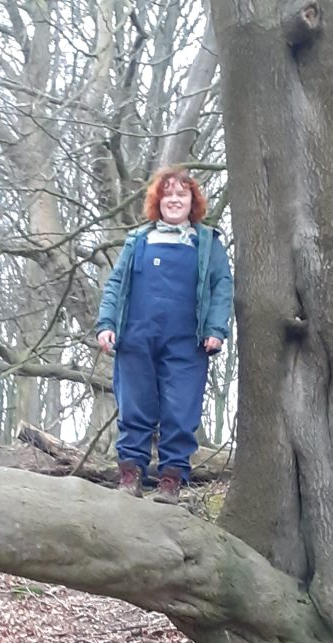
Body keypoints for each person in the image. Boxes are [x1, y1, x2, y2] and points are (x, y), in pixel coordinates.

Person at [95, 166, 233, 505]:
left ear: (192, 202)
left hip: (188, 341)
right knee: (134, 407)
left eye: (181, 194)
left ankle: (171, 482)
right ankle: (130, 476)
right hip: (136, 336)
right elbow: (116, 284)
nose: (174, 200)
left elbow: (222, 286)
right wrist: (107, 322)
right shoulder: (138, 240)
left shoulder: (207, 242)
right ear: (158, 201)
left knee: (180, 410)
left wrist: (216, 328)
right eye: (167, 194)